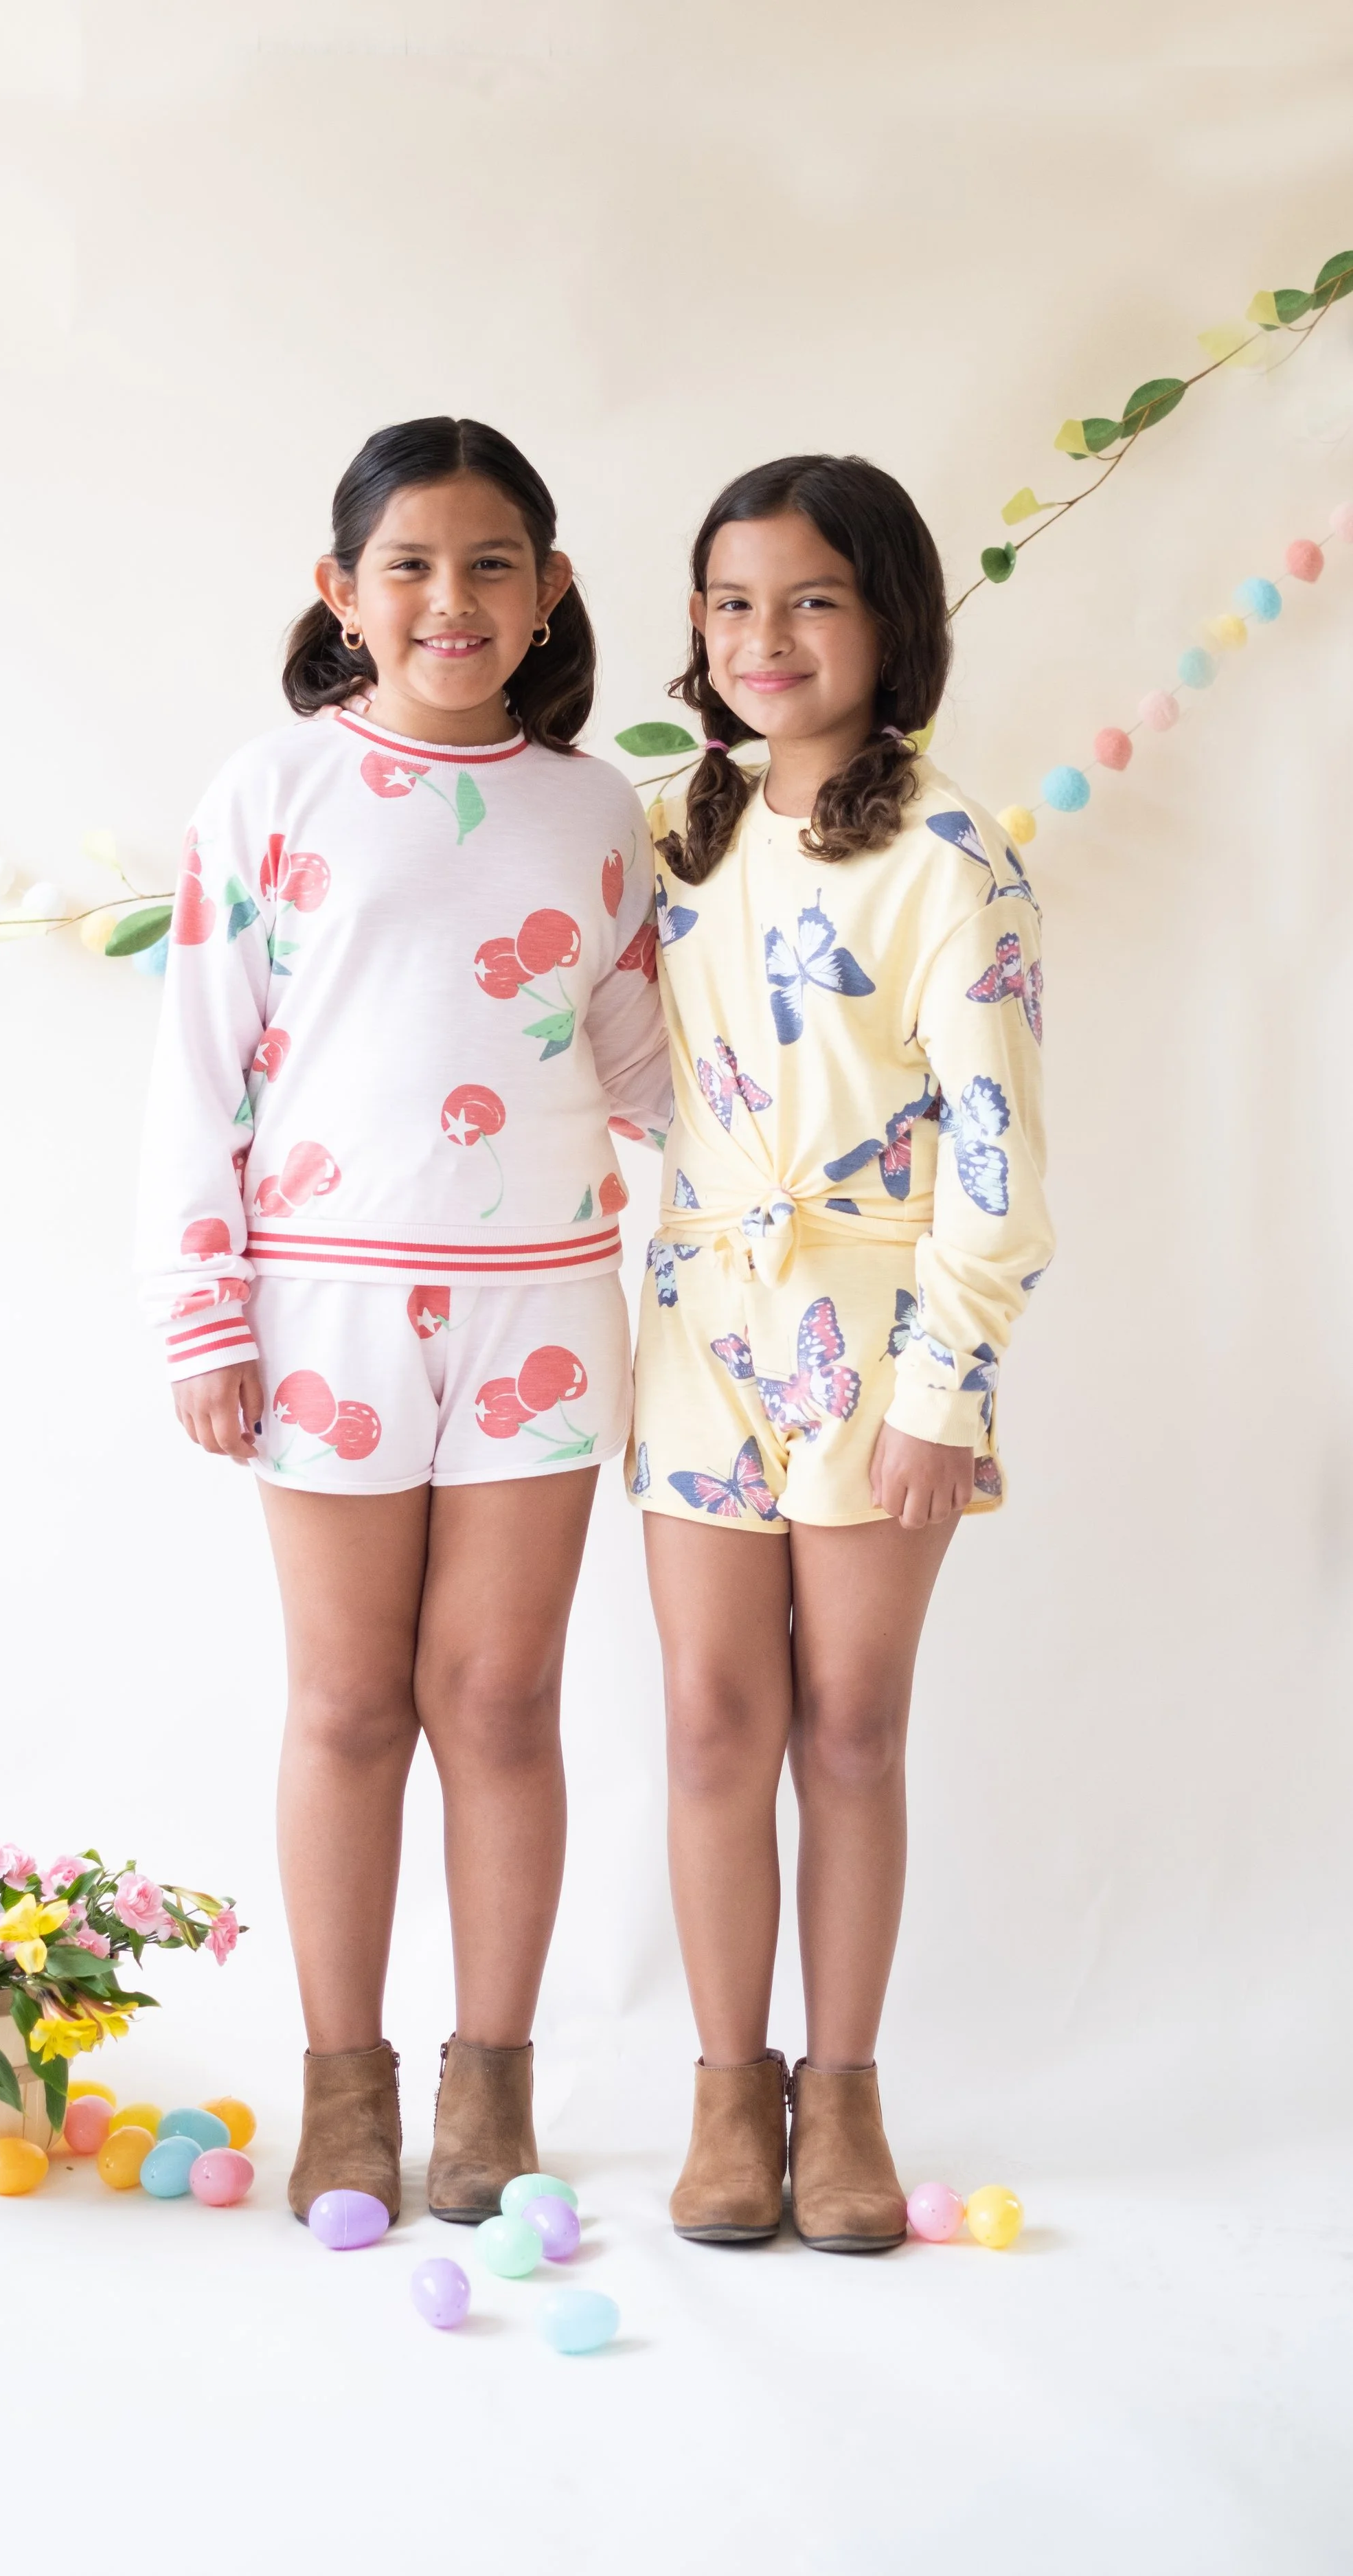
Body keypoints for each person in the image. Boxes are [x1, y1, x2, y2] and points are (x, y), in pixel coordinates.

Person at [137, 416, 669, 2228]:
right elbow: (198, 1062)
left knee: (501, 1700)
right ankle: (343, 2081)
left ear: (551, 587)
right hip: (325, 1310)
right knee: (351, 1702)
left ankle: (489, 2082)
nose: (453, 599)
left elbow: (644, 1062)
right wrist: (203, 1311)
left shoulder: (595, 809)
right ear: (342, 592)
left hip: (544, 1306)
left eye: (491, 562)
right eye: (411, 566)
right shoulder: (268, 792)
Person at [630, 454, 1051, 2247]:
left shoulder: (950, 854)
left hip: (881, 1340)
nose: (766, 638)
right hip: (698, 1323)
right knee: (711, 1718)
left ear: (888, 619)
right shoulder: (676, 830)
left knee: (853, 1726)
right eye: (733, 603)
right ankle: (730, 2091)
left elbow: (997, 1157)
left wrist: (946, 1391)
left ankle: (847, 2090)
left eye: (811, 599)